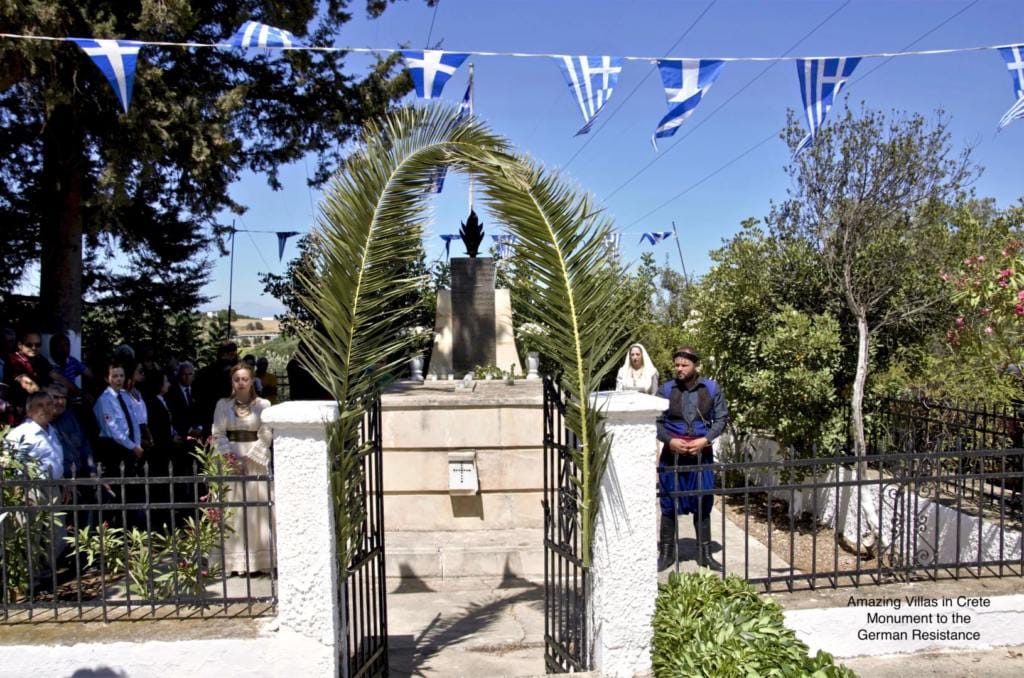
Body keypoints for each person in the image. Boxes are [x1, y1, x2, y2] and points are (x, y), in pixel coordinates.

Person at [656, 347, 728, 572]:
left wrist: (705, 440)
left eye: (684, 365)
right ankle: (666, 554)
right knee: (668, 502)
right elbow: (656, 421)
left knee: (703, 501)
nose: (679, 368)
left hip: (701, 454)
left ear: (695, 366)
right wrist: (669, 441)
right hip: (672, 456)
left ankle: (705, 554)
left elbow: (721, 418)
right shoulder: (665, 390)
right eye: (676, 365)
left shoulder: (711, 388)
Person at [211, 363, 274, 574]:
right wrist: (231, 457)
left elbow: (266, 433)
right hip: (231, 461)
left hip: (255, 460)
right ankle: (232, 562)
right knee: (233, 510)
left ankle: (259, 561)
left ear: (251, 381)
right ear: (232, 382)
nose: (241, 383)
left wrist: (252, 455)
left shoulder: (263, 405)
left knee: (257, 509)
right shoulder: (223, 405)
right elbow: (218, 433)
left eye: (245, 379)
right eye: (237, 379)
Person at [166, 361, 201, 440]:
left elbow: (201, 411)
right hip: (181, 434)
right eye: (184, 374)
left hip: (198, 431)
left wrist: (199, 428)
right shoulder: (171, 391)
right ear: (179, 375)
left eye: (190, 374)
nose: (187, 377)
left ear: (194, 375)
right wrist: (190, 430)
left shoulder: (198, 389)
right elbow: (175, 416)